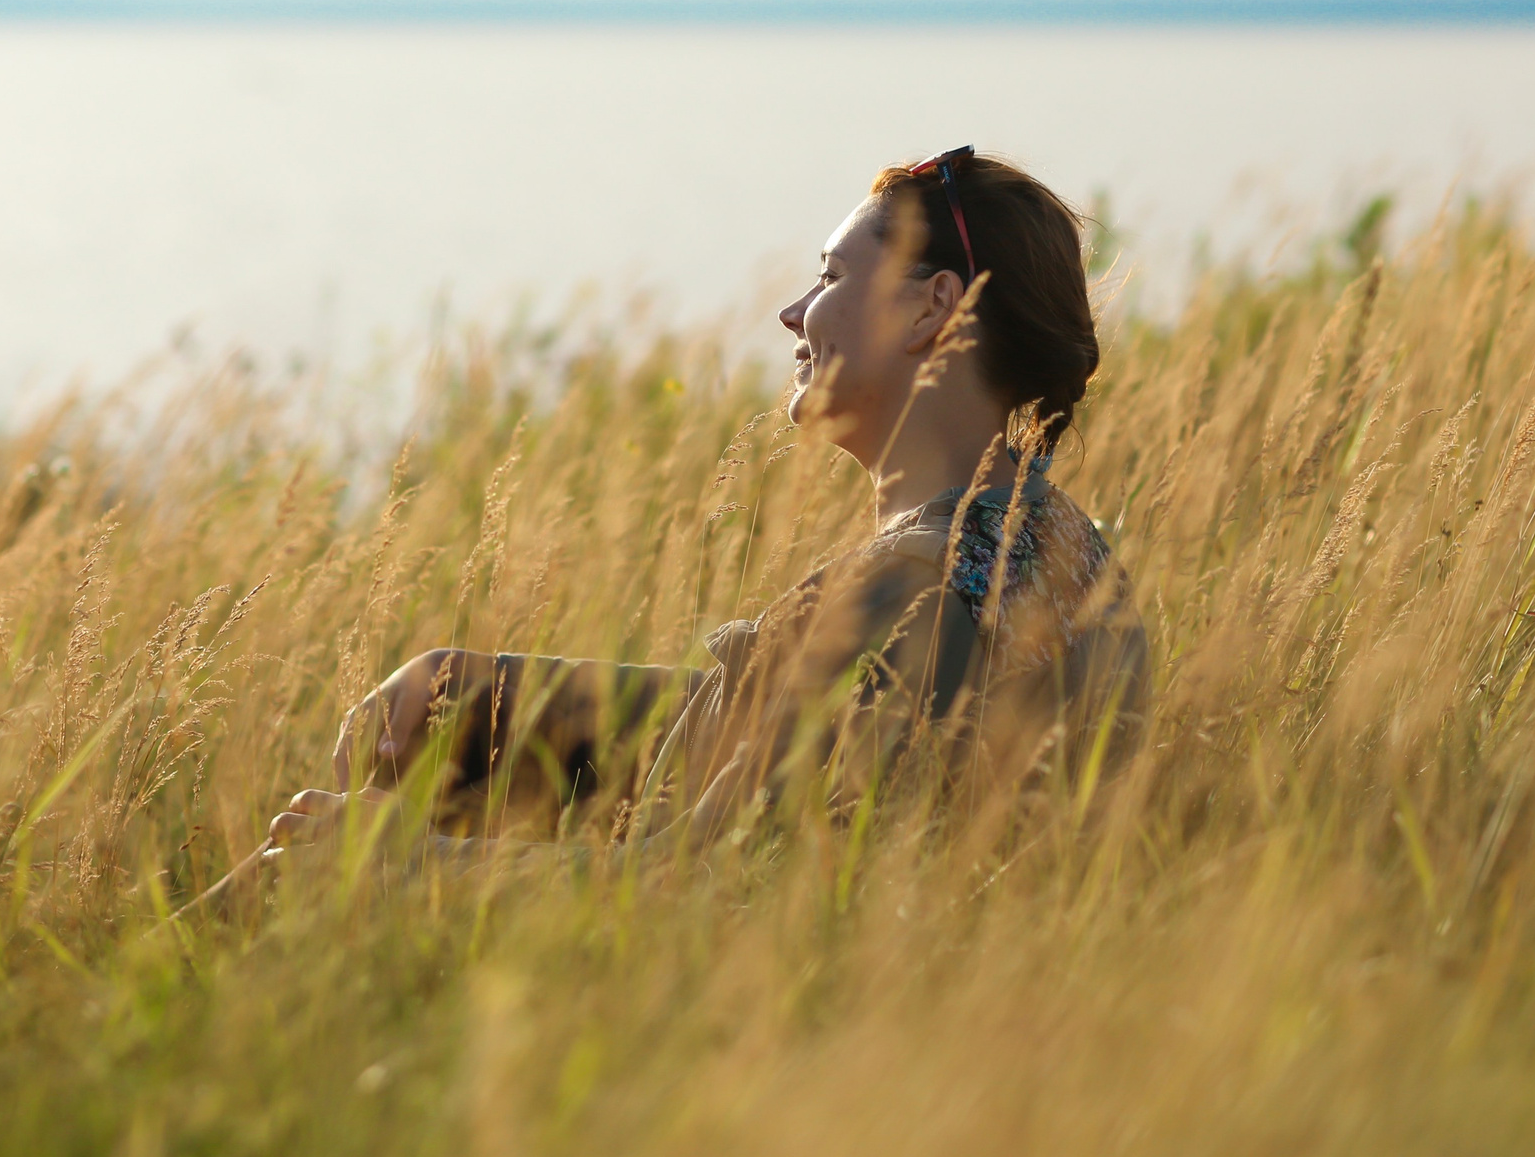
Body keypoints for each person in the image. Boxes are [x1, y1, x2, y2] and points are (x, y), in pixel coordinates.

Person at [248, 147, 1145, 881]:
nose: (792, 313)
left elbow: (705, 882)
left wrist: (407, 864)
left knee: (306, 863)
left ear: (932, 308)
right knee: (447, 704)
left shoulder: (913, 587)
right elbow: (817, 734)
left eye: (830, 276)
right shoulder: (1050, 538)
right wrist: (480, 683)